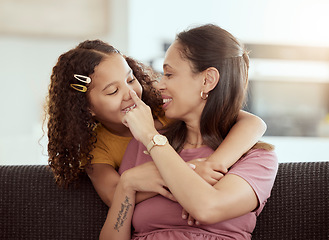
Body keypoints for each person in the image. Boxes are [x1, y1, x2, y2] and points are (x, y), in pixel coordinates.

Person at [45, 39, 266, 219]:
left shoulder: (166, 109)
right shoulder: (96, 146)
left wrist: (212, 164)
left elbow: (254, 123)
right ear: (87, 107)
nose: (130, 94)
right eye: (113, 91)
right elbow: (116, 196)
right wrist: (187, 173)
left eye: (130, 80)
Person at [99, 24, 278, 240]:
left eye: (169, 74)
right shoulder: (140, 146)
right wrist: (127, 183)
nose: (159, 85)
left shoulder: (256, 158)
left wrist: (150, 136)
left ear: (207, 80)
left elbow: (207, 208)